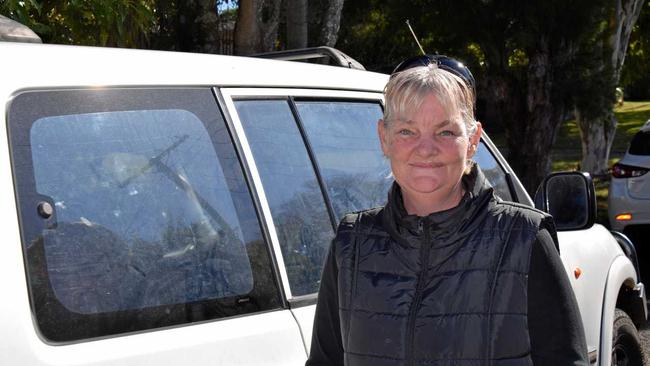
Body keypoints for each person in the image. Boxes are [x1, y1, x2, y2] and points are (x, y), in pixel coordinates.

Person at [305, 55, 588, 366]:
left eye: (445, 132)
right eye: (406, 131)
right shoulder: (351, 245)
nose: (426, 149)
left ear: (473, 140)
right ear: (383, 138)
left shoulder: (524, 240)